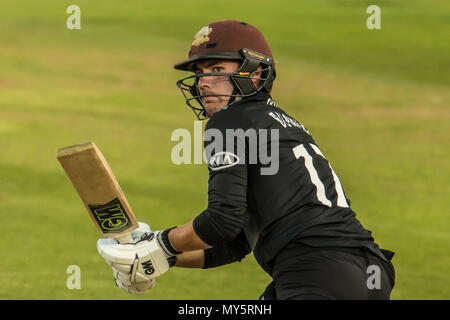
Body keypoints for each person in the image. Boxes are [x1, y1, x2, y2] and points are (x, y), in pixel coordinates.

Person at [97, 19, 395, 299]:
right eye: (199, 72)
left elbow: (221, 220)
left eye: (215, 68)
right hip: (368, 272)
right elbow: (235, 243)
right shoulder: (276, 121)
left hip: (313, 270)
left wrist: (158, 243)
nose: (202, 82)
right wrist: (156, 261)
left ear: (254, 73)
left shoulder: (230, 121)